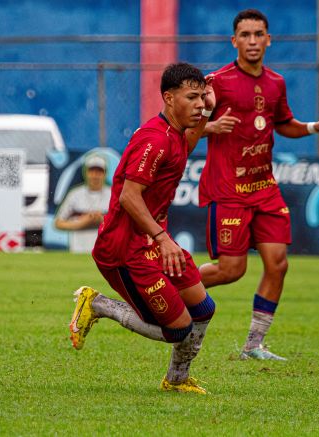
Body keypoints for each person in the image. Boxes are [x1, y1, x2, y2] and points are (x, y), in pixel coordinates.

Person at [198, 9, 319, 361]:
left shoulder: (276, 82)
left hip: (264, 187)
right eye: (245, 35)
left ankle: (253, 346)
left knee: (278, 263)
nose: (253, 41)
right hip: (228, 188)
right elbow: (183, 121)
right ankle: (170, 288)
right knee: (232, 270)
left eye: (259, 34)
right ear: (234, 41)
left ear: (269, 39)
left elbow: (283, 123)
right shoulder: (217, 82)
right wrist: (209, 127)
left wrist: (311, 127)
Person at [69, 62, 216, 394]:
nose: (199, 104)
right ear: (168, 97)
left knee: (204, 308)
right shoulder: (155, 139)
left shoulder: (176, 134)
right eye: (192, 97)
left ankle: (176, 380)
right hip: (125, 251)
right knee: (178, 329)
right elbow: (128, 197)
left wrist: (210, 109)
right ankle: (99, 305)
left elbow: (187, 145)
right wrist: (163, 238)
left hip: (152, 242)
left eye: (201, 97)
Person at [54, 154, 111, 253]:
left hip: (106, 250)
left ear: (105, 174)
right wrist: (81, 223)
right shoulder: (75, 194)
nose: (95, 175)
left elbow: (123, 224)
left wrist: (103, 221)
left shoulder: (113, 194)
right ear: (86, 173)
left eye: (99, 171)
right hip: (78, 248)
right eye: (92, 171)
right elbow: (58, 223)